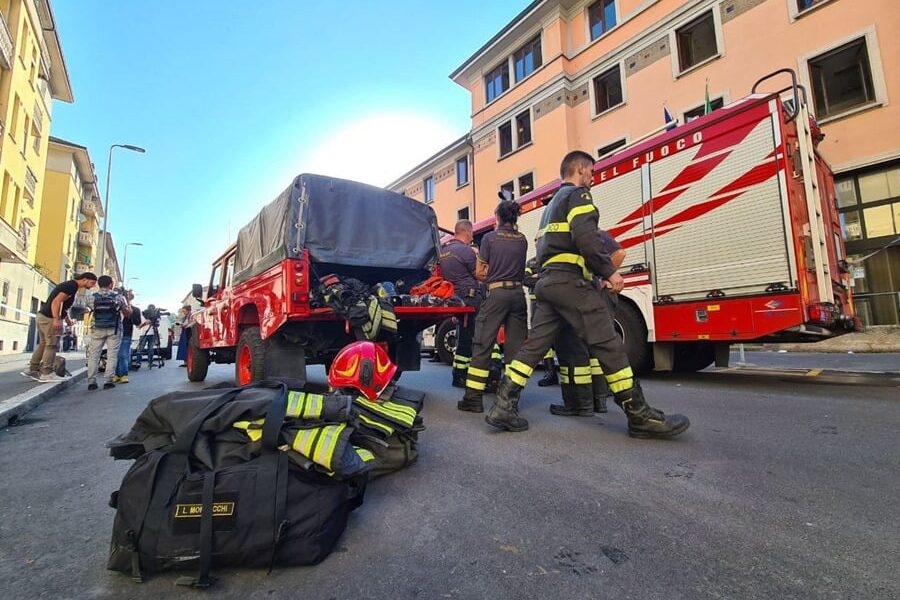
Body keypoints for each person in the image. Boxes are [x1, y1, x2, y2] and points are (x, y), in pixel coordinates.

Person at [485, 150, 690, 439]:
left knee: (532, 349)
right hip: (572, 285)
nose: (592, 178)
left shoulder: (551, 205)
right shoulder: (578, 196)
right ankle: (639, 414)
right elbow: (587, 238)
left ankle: (503, 406)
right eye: (591, 172)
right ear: (580, 169)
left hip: (549, 285)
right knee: (609, 344)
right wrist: (609, 272)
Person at [459, 200, 528, 412]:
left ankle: (473, 399)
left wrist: (494, 273)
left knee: (482, 343)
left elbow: (480, 272)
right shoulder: (522, 239)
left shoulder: (489, 238)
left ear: (497, 218)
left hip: (497, 294)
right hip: (518, 295)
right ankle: (509, 402)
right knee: (515, 351)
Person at [550, 230, 626, 417]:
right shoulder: (587, 236)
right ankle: (598, 401)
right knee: (595, 349)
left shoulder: (591, 233)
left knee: (578, 348)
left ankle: (583, 404)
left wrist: (604, 277)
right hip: (596, 296)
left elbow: (620, 253)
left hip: (596, 294)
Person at [23, 272, 97, 382]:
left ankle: (32, 368)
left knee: (44, 343)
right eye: (92, 283)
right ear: (85, 279)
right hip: (49, 318)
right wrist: (56, 319)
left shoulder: (70, 286)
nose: (92, 286)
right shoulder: (71, 286)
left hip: (42, 316)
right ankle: (47, 373)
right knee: (51, 345)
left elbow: (62, 305)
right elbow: (56, 302)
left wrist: (66, 319)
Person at [440, 219, 482, 388]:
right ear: (467, 232)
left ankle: (458, 375)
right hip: (471, 299)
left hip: (455, 300)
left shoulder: (443, 251)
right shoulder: (466, 252)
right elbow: (479, 275)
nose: (472, 236)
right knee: (481, 336)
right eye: (471, 233)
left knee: (463, 337)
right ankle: (484, 376)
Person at [86, 276, 132, 390]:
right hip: (114, 329)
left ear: (98, 284)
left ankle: (91, 382)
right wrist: (127, 302)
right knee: (112, 355)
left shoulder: (91, 297)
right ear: (111, 284)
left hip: (97, 328)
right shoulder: (119, 297)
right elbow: (127, 314)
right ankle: (108, 381)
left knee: (94, 355)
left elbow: (87, 309)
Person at [113, 292, 141, 384]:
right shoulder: (114, 307)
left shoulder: (135, 309)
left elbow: (137, 323)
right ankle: (117, 374)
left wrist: (130, 313)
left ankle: (124, 374)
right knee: (115, 355)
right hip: (113, 333)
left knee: (123, 354)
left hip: (126, 333)